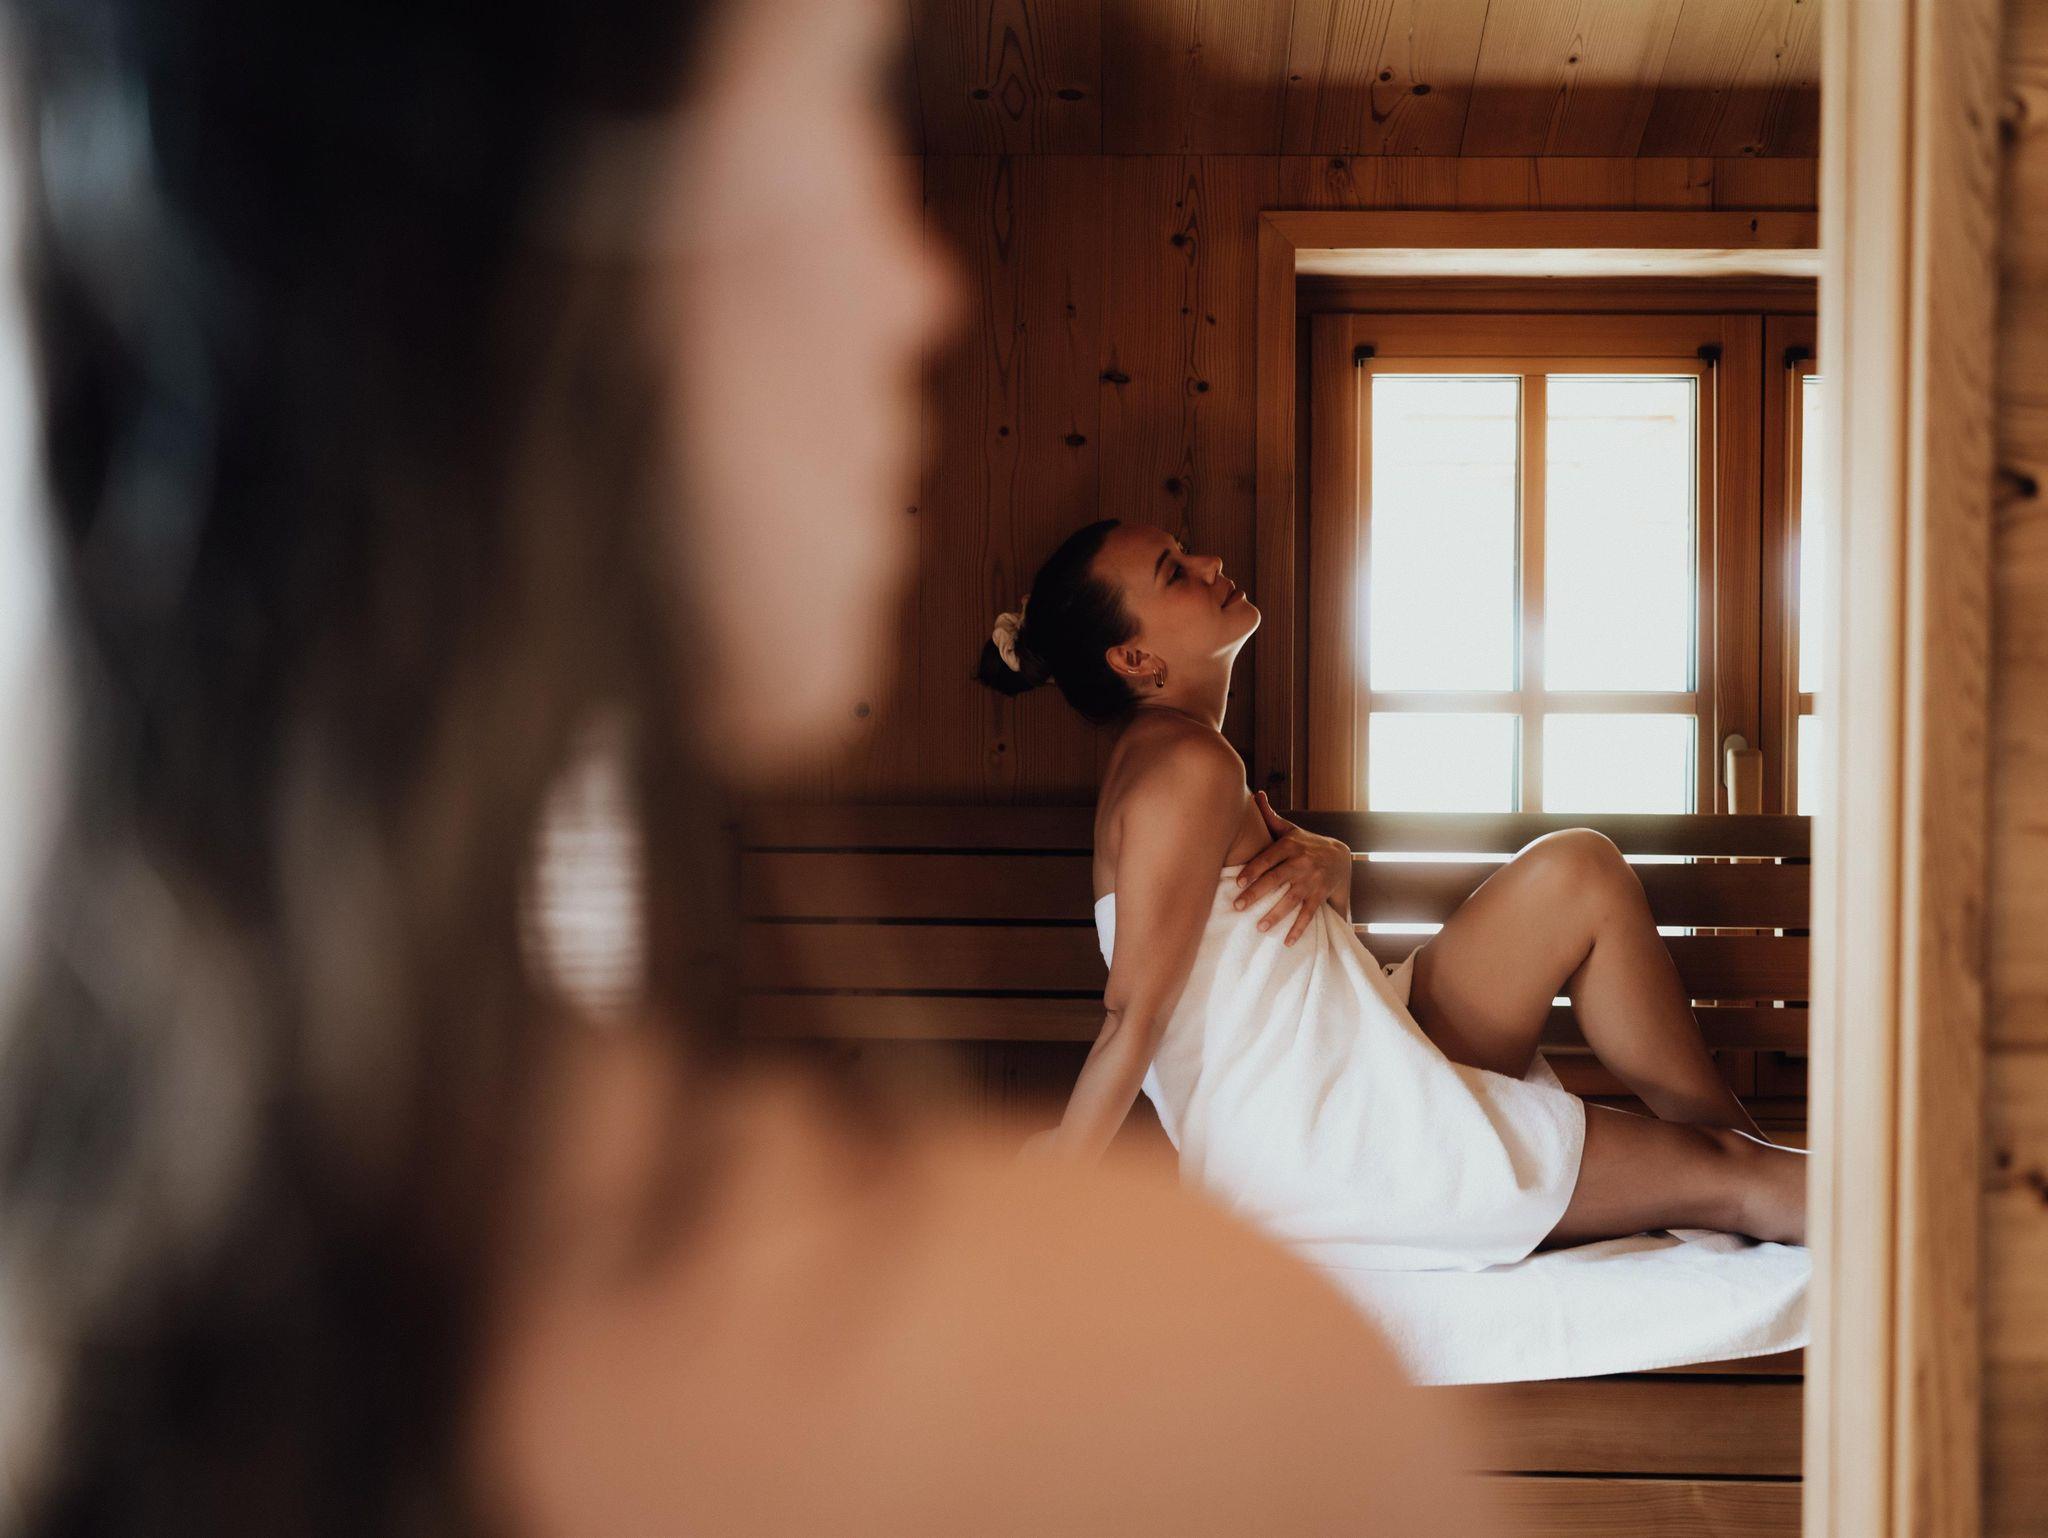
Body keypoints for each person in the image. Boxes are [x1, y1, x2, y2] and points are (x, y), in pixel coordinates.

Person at [0, 0, 1494, 1532]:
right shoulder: (1244, 1391)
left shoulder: (72, 1319)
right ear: (525, 275)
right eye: (827, 126)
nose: (922, 290)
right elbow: (1149, 1014)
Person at [979, 519, 1807, 1265]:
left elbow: (1272, 982)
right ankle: (1749, 1177)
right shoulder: (1184, 767)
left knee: (1577, 870)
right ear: (1134, 660)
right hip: (1326, 1143)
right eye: (1173, 572)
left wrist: (1336, 870)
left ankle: (1733, 1153)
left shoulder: (1179, 755)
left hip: (1348, 1076)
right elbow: (1134, 1012)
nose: (1210, 562)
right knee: (1733, 1176)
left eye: (1185, 551)